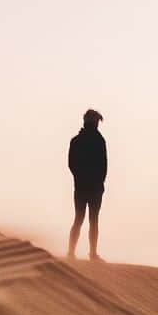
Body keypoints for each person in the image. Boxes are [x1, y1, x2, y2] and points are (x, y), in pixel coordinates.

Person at [67, 108, 107, 261]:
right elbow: (72, 164)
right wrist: (85, 179)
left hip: (89, 187)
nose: (96, 124)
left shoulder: (83, 140)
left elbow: (103, 166)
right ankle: (77, 252)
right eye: (95, 121)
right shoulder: (87, 141)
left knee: (87, 219)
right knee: (84, 219)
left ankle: (88, 252)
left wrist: (98, 182)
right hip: (87, 187)